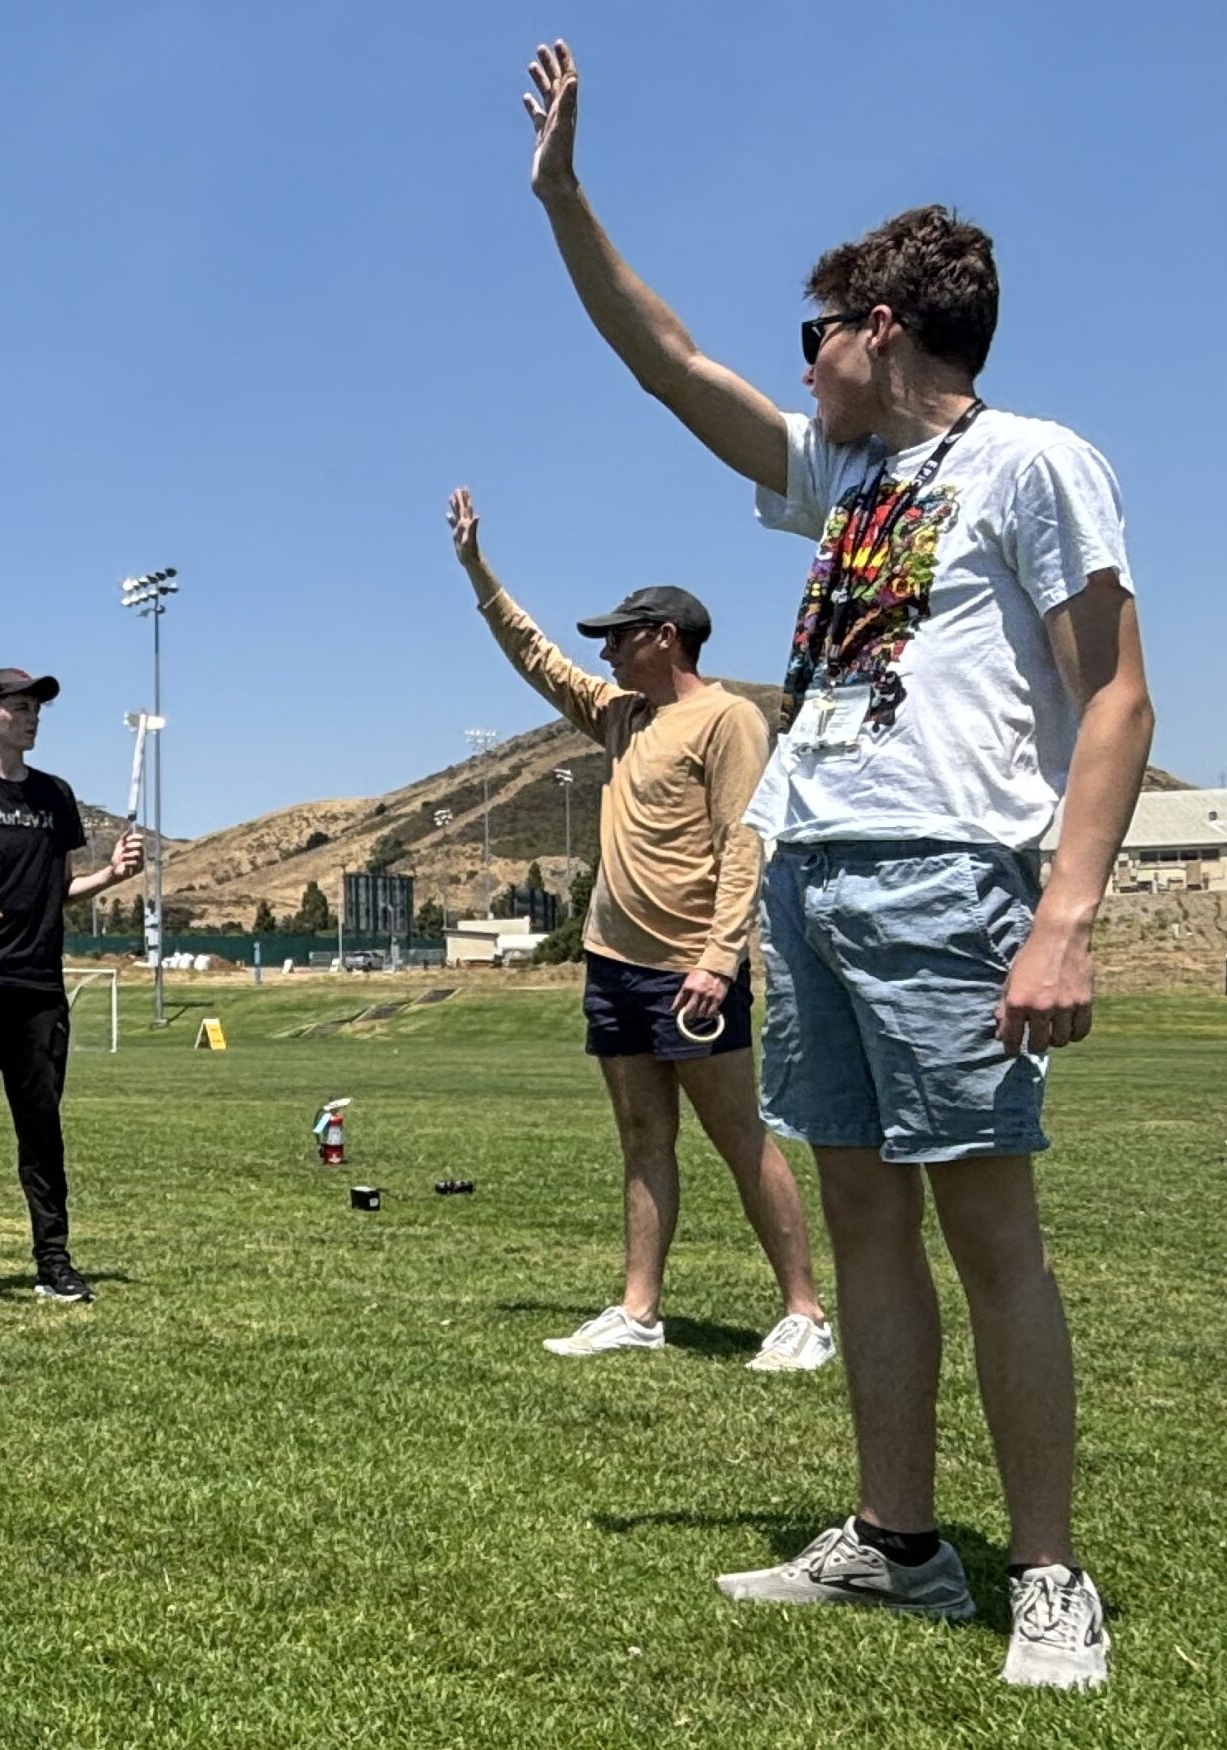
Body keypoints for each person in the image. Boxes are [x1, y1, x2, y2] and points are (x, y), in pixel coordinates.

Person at [522, 42, 1154, 1688]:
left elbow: (1119, 699)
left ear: (885, 332)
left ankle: (1049, 1578)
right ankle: (896, 1546)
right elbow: (669, 365)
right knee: (865, 1219)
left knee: (989, 1231)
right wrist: (569, 202)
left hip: (953, 882)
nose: (797, 362)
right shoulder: (844, 481)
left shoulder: (1031, 463)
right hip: (814, 880)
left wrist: (1067, 917)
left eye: (817, 333)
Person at [446, 489, 829, 1371]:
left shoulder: (730, 719)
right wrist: (477, 568)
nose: (606, 651)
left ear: (665, 637)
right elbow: (536, 658)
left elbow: (745, 843)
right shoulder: (620, 715)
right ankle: (639, 1310)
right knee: (642, 1141)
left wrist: (719, 957)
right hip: (614, 964)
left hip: (693, 969)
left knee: (739, 1138)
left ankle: (805, 1313)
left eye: (618, 636)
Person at [0, 668, 143, 1304]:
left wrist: (109, 876)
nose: (32, 717)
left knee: (41, 1127)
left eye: (36, 708)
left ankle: (54, 1261)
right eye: (19, 707)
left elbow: (59, 890)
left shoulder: (56, 797)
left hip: (40, 983)